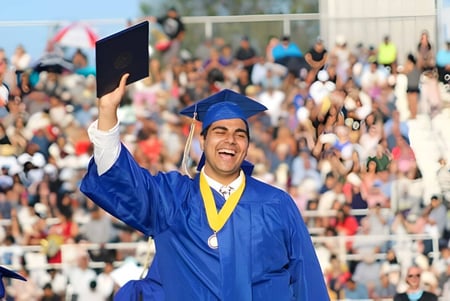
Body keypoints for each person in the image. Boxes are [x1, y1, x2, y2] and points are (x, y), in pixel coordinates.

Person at [80, 74, 329, 300]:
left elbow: (306, 278)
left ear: (247, 144)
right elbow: (121, 179)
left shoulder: (276, 204)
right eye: (220, 131)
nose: (230, 140)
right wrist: (108, 111)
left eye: (240, 134)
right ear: (203, 139)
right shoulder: (172, 199)